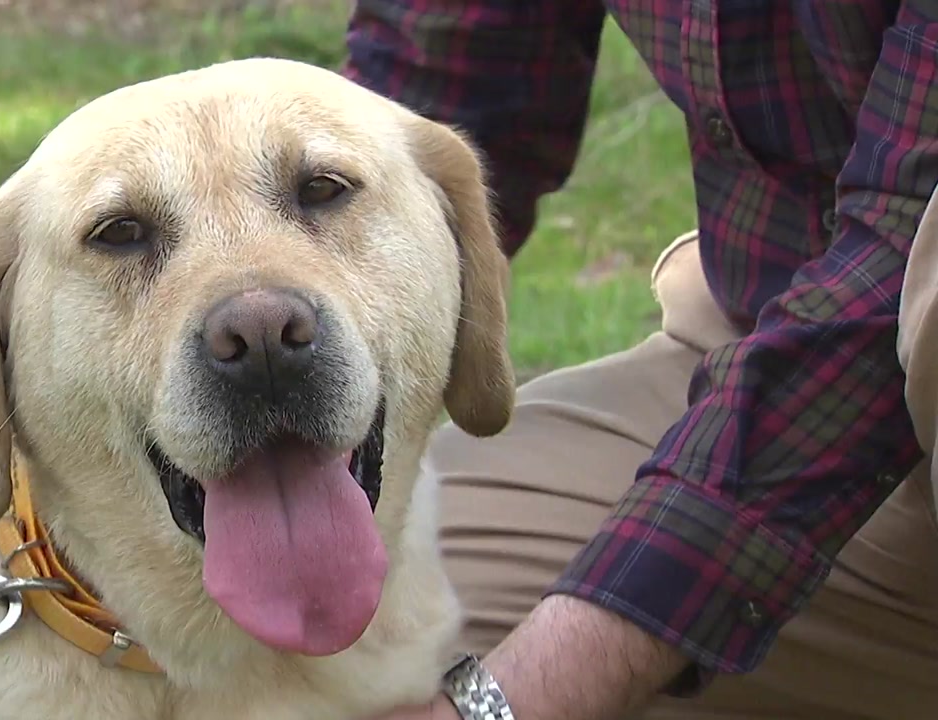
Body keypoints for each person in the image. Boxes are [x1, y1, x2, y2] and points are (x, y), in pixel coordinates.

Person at [340, 1, 938, 719]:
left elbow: (895, 263)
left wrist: (513, 702)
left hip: (878, 349)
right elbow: (424, 110)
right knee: (330, 646)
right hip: (765, 354)